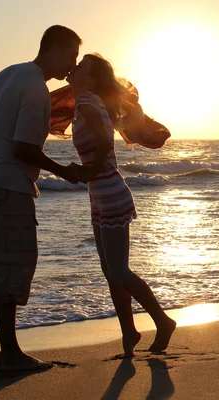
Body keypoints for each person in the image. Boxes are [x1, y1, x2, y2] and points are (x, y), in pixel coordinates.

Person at [0, 25, 87, 371]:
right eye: (71, 56)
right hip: (10, 186)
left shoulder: (8, 73)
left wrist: (0, 119)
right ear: (54, 49)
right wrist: (66, 171)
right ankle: (12, 355)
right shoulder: (36, 88)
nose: (71, 66)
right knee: (14, 264)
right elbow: (23, 149)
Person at [66, 53, 176, 356]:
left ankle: (163, 322)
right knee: (111, 271)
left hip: (110, 194)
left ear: (90, 79)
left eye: (80, 68)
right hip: (100, 195)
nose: (73, 70)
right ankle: (129, 332)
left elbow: (102, 142)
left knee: (118, 271)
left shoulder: (87, 102)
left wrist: (86, 171)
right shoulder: (87, 102)